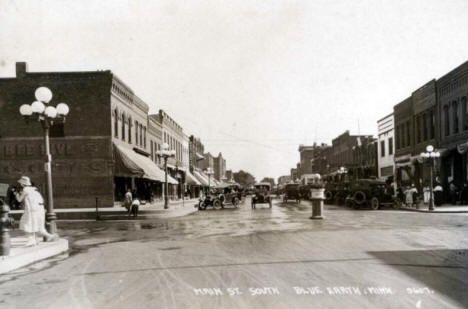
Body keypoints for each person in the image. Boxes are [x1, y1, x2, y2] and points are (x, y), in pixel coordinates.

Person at [14, 176, 57, 246]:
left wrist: (16, 194)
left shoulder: (26, 190)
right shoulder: (35, 190)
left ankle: (31, 240)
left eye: (20, 183)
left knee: (25, 224)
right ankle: (49, 236)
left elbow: (19, 199)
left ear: (22, 184)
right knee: (38, 227)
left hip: (32, 211)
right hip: (40, 210)